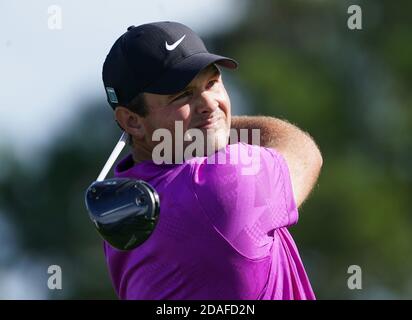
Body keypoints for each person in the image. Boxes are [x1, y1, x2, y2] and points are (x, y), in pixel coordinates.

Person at [101, 21, 322, 299]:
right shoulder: (221, 182)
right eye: (182, 95)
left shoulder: (122, 206)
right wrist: (218, 128)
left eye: (212, 82)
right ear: (131, 121)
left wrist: (202, 130)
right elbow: (302, 151)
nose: (208, 103)